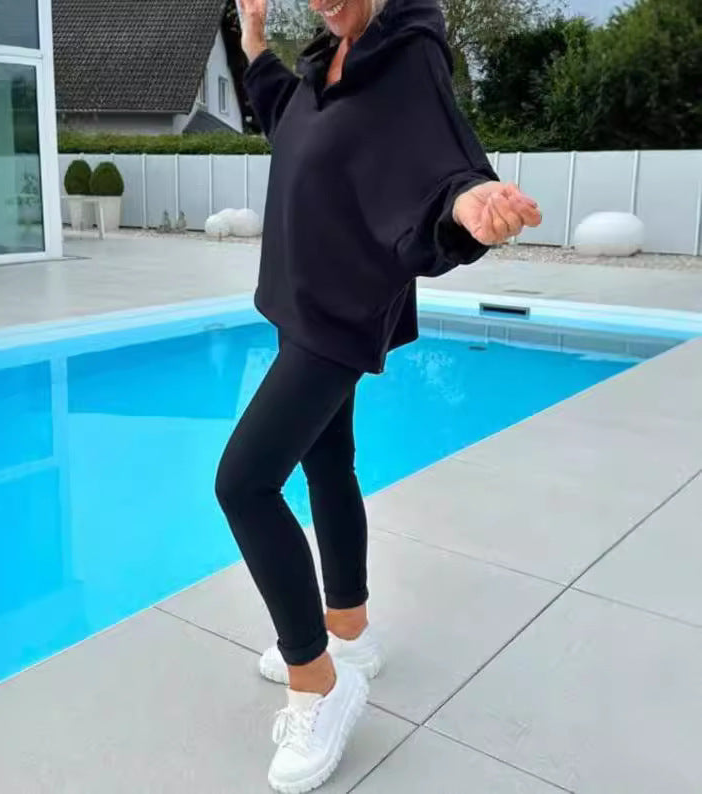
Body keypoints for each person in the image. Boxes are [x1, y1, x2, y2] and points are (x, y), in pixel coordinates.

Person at [216, 0, 542, 790]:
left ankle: (318, 683)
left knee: (244, 484)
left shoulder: (406, 55)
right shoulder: (325, 64)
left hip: (341, 310)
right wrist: (253, 41)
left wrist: (467, 206)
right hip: (303, 302)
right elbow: (284, 116)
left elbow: (441, 163)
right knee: (328, 462)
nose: (323, 0)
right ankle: (349, 631)